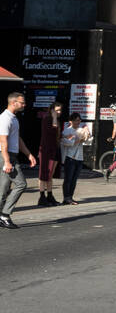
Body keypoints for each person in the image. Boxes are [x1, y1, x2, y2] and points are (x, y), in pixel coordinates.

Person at [0, 90, 36, 229]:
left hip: (10, 155)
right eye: (22, 102)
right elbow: (3, 141)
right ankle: (5, 214)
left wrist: (28, 154)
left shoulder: (13, 118)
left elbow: (18, 139)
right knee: (21, 184)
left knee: (3, 189)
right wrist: (7, 161)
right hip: (6, 155)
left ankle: (1, 216)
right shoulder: (5, 118)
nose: (24, 105)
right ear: (14, 103)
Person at [37, 101, 64, 207]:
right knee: (44, 174)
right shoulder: (47, 119)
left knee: (50, 174)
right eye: (57, 110)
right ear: (52, 110)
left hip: (55, 149)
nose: (59, 112)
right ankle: (42, 196)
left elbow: (57, 135)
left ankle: (50, 195)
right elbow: (52, 130)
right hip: (47, 150)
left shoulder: (56, 120)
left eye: (60, 110)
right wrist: (53, 117)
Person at [60, 113, 91, 203]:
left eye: (79, 120)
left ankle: (70, 197)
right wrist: (78, 140)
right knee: (68, 178)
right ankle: (66, 198)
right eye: (76, 120)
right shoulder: (66, 131)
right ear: (71, 121)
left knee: (74, 179)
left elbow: (88, 140)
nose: (78, 122)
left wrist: (87, 133)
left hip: (79, 158)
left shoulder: (81, 130)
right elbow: (65, 142)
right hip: (70, 157)